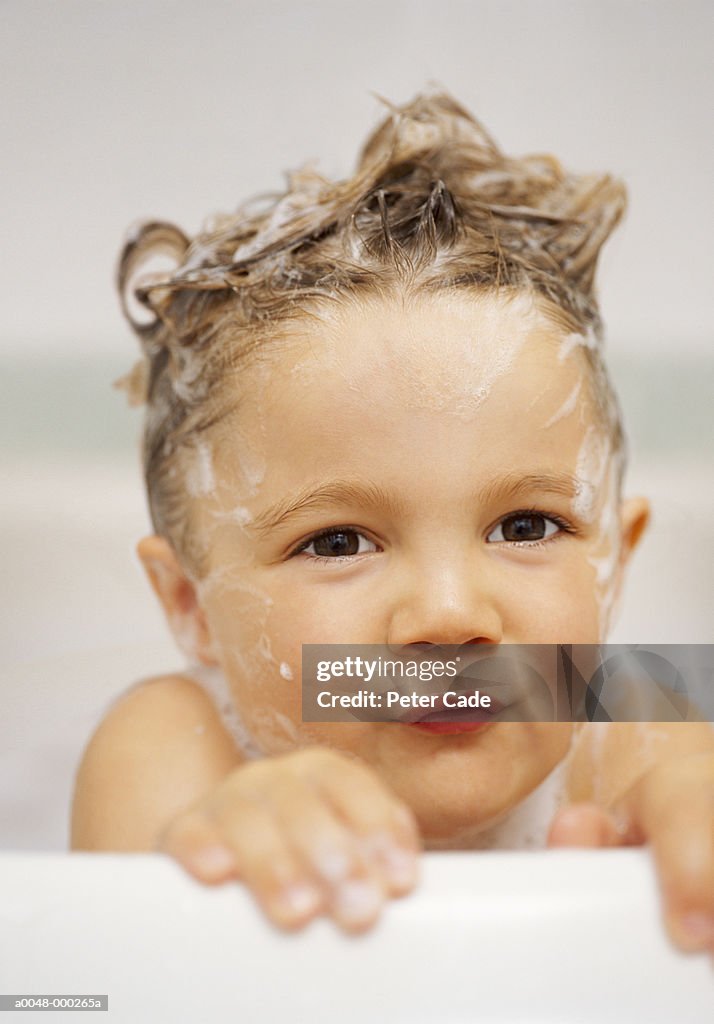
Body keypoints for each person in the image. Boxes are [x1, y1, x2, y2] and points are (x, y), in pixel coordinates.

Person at [71, 90, 714, 950]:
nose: (451, 617)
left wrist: (690, 810)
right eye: (337, 543)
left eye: (526, 527)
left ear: (616, 563)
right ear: (190, 606)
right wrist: (227, 834)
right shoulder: (174, 738)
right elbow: (111, 965)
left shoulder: (630, 708)